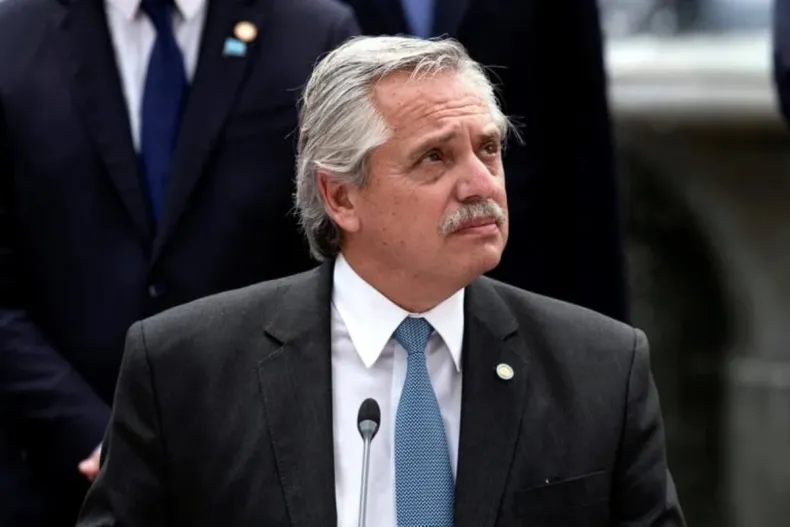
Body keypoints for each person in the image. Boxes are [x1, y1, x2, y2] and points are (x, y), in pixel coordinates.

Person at [77, 36, 684, 526]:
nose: (481, 185)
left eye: (488, 149)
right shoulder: (185, 368)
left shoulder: (601, 367)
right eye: (435, 157)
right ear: (341, 197)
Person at [0, 0, 359, 524]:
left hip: (261, 465)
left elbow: (343, 258)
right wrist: (92, 433)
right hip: (52, 473)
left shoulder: (312, 31)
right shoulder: (13, 37)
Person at [340, 0, 631, 324]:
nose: (475, 182)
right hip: (363, 279)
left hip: (526, 266)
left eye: (489, 147)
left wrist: (604, 322)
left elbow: (585, 139)